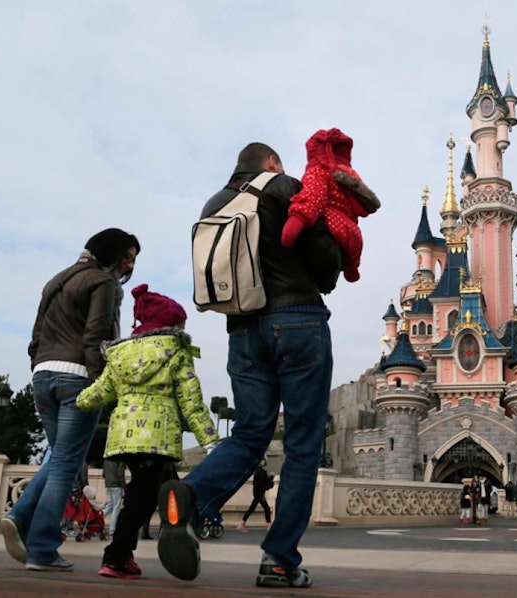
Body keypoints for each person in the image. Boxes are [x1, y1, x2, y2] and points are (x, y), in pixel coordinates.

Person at [156, 142, 342, 588]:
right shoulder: (283, 187)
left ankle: (192, 493)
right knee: (301, 443)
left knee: (250, 432)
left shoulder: (214, 203)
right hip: (297, 321)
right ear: (272, 162)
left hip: (241, 330)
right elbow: (327, 267)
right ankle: (278, 560)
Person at [0, 228, 140, 572]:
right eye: (128, 258)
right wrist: (102, 384)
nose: (128, 266)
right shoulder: (103, 284)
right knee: (65, 465)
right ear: (113, 254)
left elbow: (36, 335)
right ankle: (42, 549)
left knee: (60, 456)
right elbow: (97, 336)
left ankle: (18, 517)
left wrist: (37, 368)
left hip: (43, 374)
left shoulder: (56, 280)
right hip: (76, 375)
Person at [76, 284, 219, 579]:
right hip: (159, 437)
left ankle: (176, 532)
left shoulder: (119, 354)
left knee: (167, 486)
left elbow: (100, 392)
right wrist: (210, 440)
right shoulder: (177, 351)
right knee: (142, 498)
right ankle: (117, 557)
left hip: (124, 438)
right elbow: (191, 402)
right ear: (172, 324)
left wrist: (77, 402)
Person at [280, 128, 380, 282]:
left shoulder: (319, 171)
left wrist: (296, 220)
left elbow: (313, 198)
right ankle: (351, 268)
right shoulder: (349, 180)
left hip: (331, 227)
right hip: (353, 237)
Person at [238, 459, 275, 533]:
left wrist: (270, 479)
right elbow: (263, 483)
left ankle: (242, 523)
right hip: (260, 494)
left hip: (258, 493)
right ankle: (269, 525)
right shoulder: (260, 472)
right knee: (265, 508)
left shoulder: (257, 471)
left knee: (253, 508)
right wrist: (271, 478)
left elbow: (262, 482)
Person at [102, 460, 127, 537]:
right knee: (116, 508)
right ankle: (112, 530)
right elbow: (120, 474)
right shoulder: (120, 460)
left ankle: (95, 520)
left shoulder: (106, 460)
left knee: (109, 506)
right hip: (117, 485)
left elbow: (103, 474)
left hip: (108, 484)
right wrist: (124, 486)